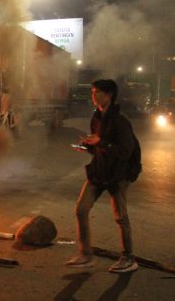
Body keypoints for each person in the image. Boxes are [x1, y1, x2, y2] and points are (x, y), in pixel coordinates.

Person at [66, 79, 142, 273]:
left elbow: (125, 151)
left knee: (120, 216)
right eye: (92, 92)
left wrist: (102, 142)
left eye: (98, 92)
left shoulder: (121, 121)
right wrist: (88, 146)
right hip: (100, 170)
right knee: (81, 209)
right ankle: (85, 255)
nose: (94, 95)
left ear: (109, 95)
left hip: (119, 173)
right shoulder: (96, 117)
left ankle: (128, 258)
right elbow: (98, 147)